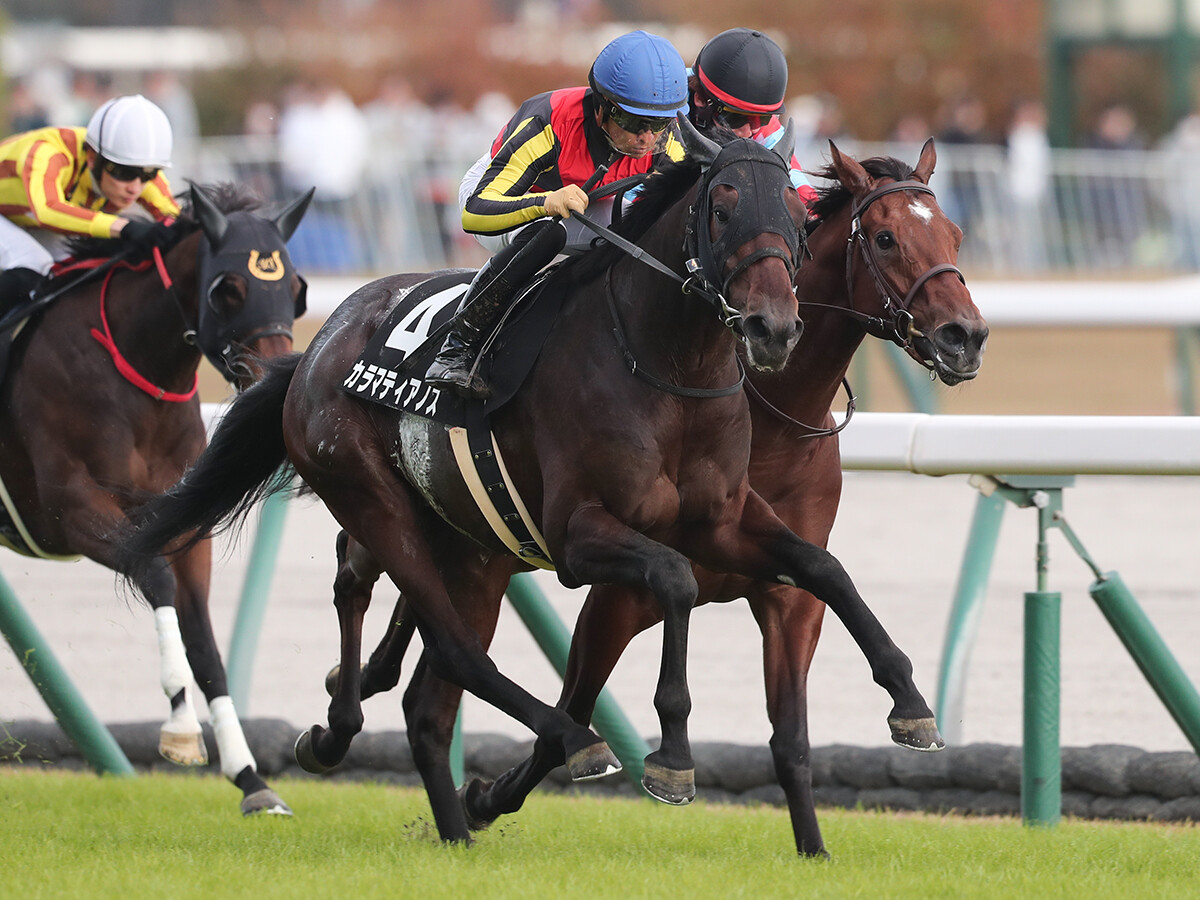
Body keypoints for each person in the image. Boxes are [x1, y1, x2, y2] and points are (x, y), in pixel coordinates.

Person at [428, 29, 689, 399]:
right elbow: (474, 214)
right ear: (603, 107)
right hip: (504, 197)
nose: (647, 139)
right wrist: (545, 201)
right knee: (550, 234)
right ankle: (459, 343)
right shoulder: (549, 122)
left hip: (590, 200)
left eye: (658, 125)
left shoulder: (667, 139)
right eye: (634, 124)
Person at [0, 94, 179, 315]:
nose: (135, 187)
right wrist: (124, 227)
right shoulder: (48, 153)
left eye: (149, 175)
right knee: (34, 263)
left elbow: (177, 221)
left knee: (75, 269)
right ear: (93, 158)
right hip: (22, 217)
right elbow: (47, 210)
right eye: (124, 173)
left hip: (22, 219)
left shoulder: (135, 171)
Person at [685, 27, 817, 210]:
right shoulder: (662, 106)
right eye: (736, 118)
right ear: (700, 98)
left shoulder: (765, 129)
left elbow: (795, 183)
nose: (750, 132)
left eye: (763, 118)